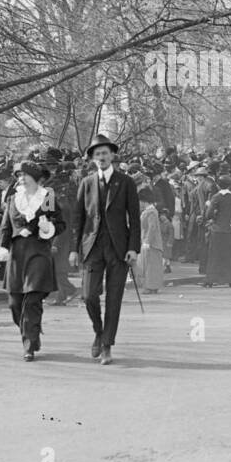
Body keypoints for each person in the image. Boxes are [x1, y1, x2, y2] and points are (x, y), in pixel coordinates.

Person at [69, 133, 141, 365]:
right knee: (89, 295)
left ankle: (107, 345)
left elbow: (135, 219)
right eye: (97, 154)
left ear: (112, 155)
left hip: (119, 248)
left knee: (114, 298)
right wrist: (73, 248)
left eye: (105, 153)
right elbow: (78, 218)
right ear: (92, 158)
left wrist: (134, 248)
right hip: (92, 247)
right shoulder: (86, 183)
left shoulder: (126, 182)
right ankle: (99, 332)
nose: (101, 157)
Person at [0, 160, 67, 360]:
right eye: (19, 176)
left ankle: (29, 344)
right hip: (17, 255)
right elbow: (5, 227)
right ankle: (32, 331)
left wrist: (47, 227)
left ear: (35, 178)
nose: (21, 179)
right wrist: (1, 248)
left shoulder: (47, 197)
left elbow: (60, 224)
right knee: (14, 303)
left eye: (25, 175)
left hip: (38, 251)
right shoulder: (12, 199)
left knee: (32, 299)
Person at [203, 175, 231, 286]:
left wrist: (214, 216)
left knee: (215, 255)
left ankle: (210, 280)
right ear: (229, 185)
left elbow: (208, 214)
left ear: (218, 185)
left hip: (218, 229)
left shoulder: (216, 197)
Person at [133, 185, 165, 295]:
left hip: (151, 243)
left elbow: (152, 228)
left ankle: (150, 286)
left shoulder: (151, 212)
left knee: (150, 267)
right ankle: (152, 287)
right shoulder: (150, 211)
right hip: (149, 242)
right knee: (150, 266)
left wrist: (147, 241)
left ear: (144, 201)